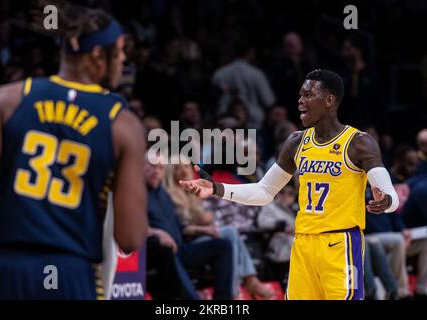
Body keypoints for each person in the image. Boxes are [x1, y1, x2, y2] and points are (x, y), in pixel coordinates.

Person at [180, 69, 400, 300]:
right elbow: (264, 191)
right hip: (303, 243)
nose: (300, 101)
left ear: (329, 100)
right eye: (300, 95)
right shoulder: (296, 142)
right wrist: (216, 188)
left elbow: (391, 198)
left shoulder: (359, 143)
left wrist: (385, 201)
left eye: (307, 95)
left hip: (339, 244)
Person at [0, 4, 147, 299]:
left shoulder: (7, 99)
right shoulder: (123, 124)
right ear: (97, 54)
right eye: (119, 51)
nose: (123, 60)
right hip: (69, 272)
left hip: (5, 268)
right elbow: (130, 237)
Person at [163, 157, 274, 299]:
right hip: (186, 242)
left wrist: (205, 219)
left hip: (200, 237)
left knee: (230, 235)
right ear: (170, 172)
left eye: (185, 166)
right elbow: (179, 227)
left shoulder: (192, 192)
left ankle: (247, 282)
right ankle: (245, 283)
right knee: (229, 233)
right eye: (177, 168)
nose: (183, 171)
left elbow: (205, 218)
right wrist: (200, 224)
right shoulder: (169, 195)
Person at [145, 154, 234, 300]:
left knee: (223, 246)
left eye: (160, 167)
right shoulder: (138, 193)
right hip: (158, 251)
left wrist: (203, 230)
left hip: (180, 248)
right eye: (152, 166)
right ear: (142, 167)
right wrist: (157, 233)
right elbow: (135, 226)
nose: (156, 171)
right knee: (167, 249)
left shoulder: (163, 195)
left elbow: (180, 228)